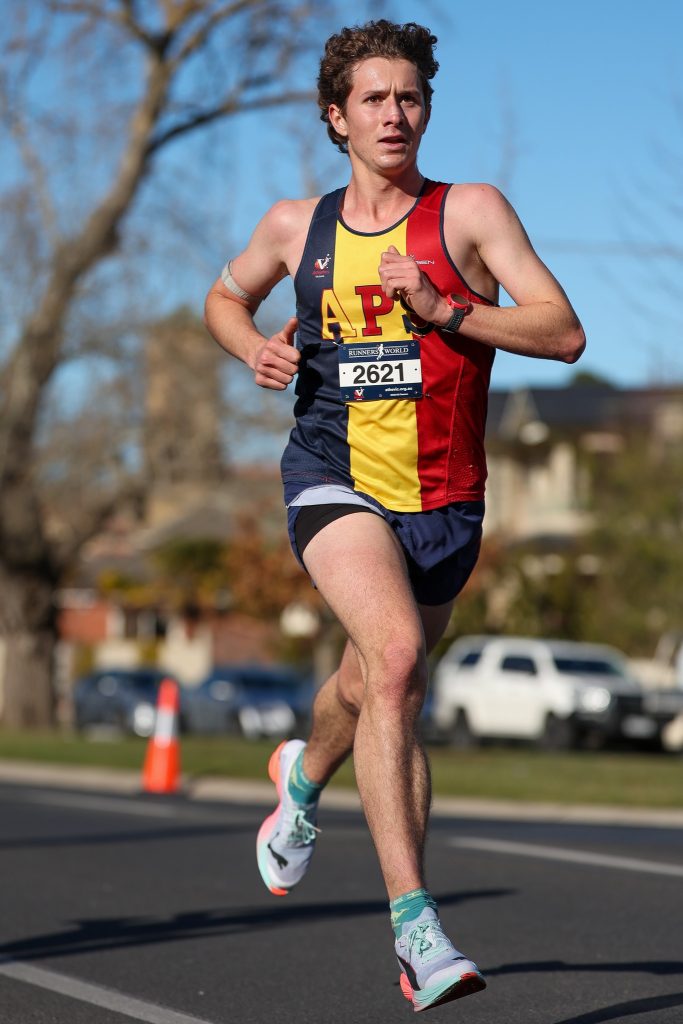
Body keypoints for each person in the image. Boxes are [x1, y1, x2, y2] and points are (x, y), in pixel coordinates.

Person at [204, 19, 585, 1013]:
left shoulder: (468, 214)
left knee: (368, 677)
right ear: (336, 116)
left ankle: (300, 773)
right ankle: (415, 929)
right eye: (372, 99)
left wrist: (447, 310)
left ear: (425, 108)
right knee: (399, 662)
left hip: (446, 497)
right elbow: (219, 296)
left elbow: (561, 330)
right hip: (332, 474)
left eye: (408, 96)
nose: (393, 114)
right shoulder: (297, 226)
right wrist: (251, 345)